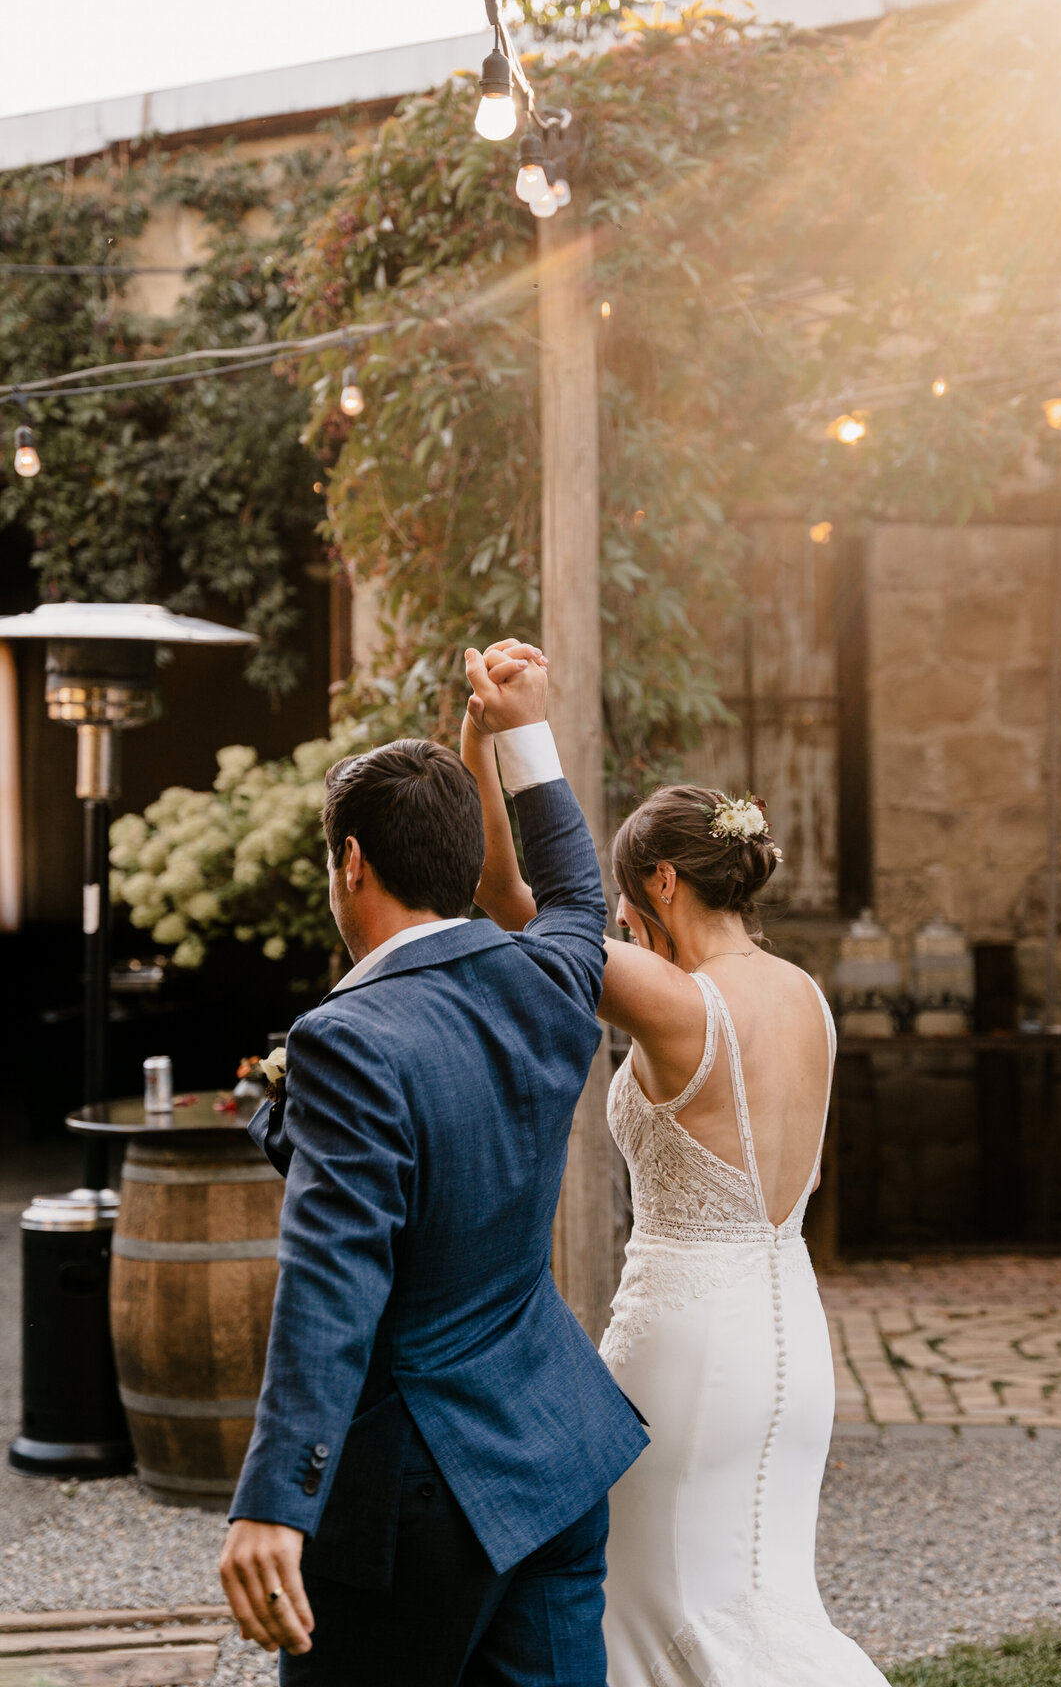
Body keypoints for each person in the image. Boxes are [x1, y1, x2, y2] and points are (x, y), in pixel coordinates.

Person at [219, 640, 647, 1687]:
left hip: (419, 1498)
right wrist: (522, 731)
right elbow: (576, 894)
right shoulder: (549, 978)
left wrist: (277, 1498)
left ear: (351, 862)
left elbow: (335, 1278)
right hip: (554, 1454)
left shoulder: (345, 1040)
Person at [464, 666, 889, 1687]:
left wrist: (501, 741)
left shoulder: (679, 1003)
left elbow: (509, 899)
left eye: (622, 899)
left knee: (660, 1612)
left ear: (661, 883)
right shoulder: (807, 996)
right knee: (757, 1603)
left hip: (691, 1347)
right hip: (791, 1336)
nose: (612, 922)